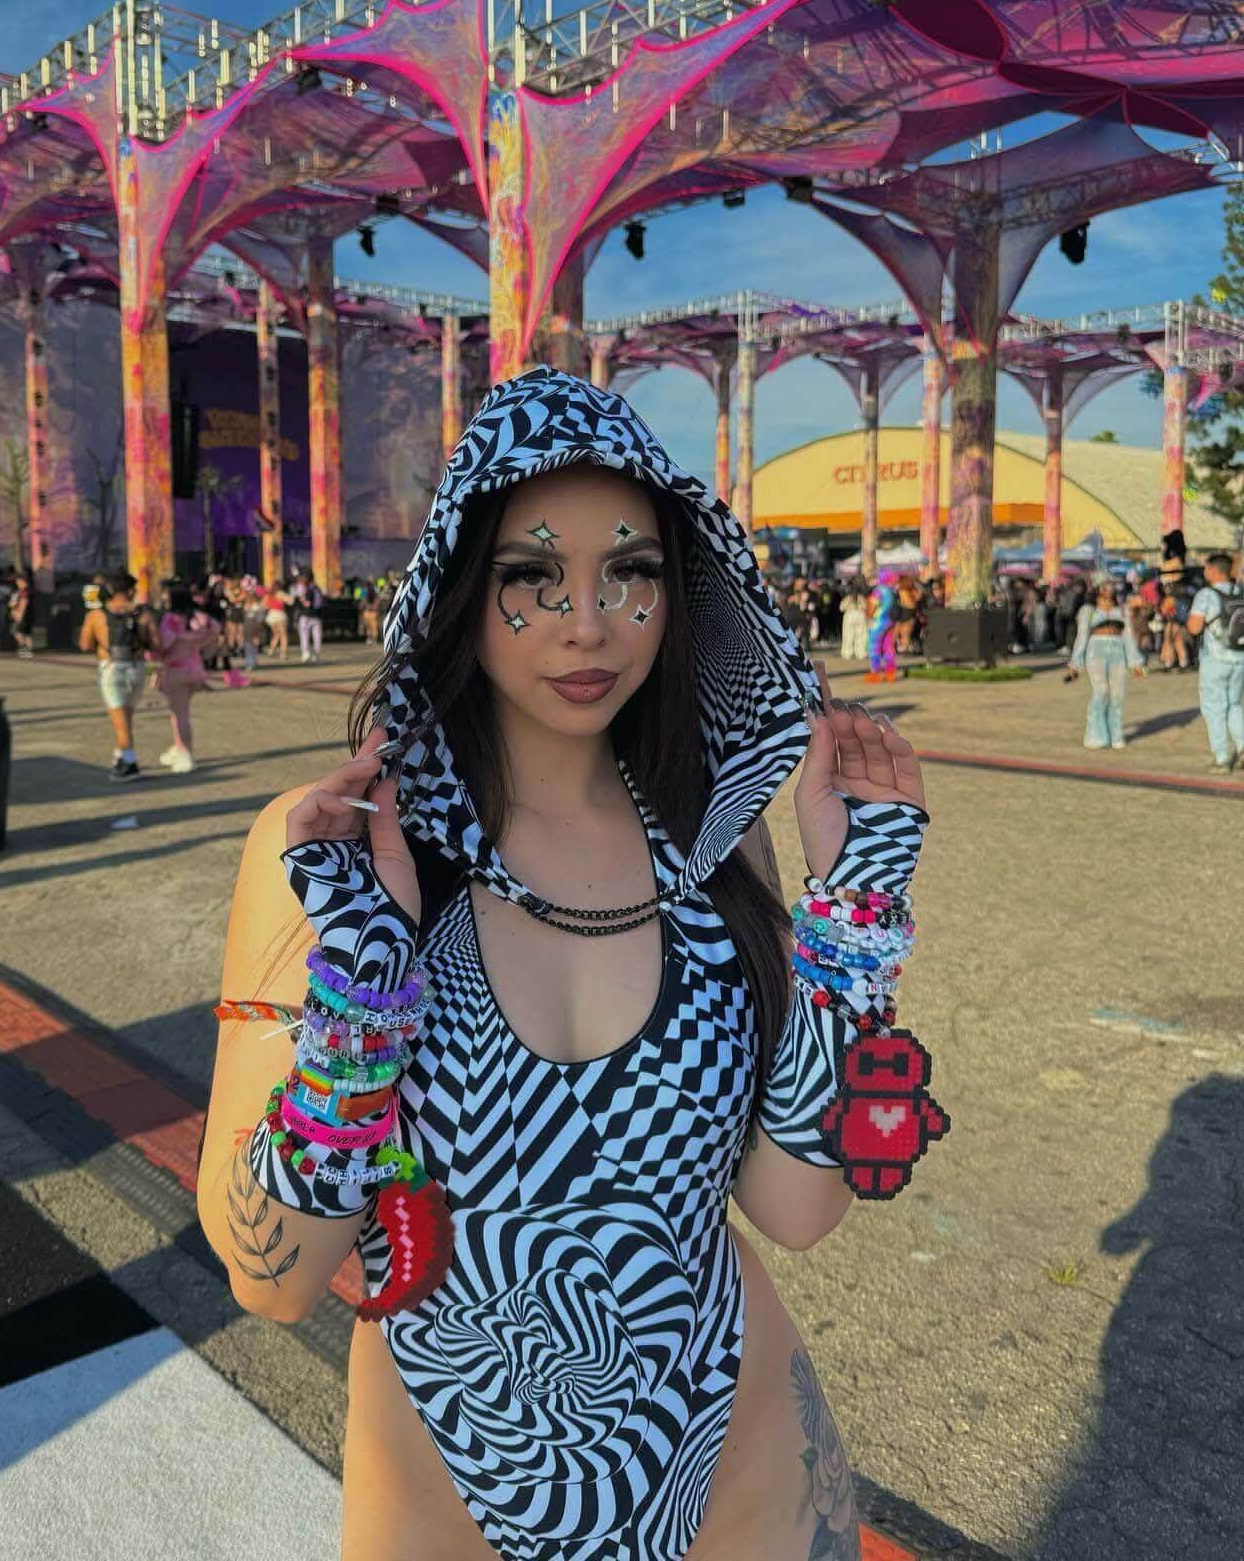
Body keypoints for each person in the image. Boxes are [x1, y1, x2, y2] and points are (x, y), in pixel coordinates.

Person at [199, 369, 943, 1561]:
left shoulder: (717, 831)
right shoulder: (338, 847)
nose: (586, 622)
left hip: (744, 1478)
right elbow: (268, 1278)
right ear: (458, 587)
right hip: (442, 1497)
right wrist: (364, 992)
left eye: (631, 572)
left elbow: (795, 1210)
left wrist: (854, 914)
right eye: (530, 576)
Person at [78, 570, 158, 779]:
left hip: (111, 669)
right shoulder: (144, 614)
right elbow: (156, 643)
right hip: (137, 668)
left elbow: (85, 644)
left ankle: (129, 762)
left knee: (119, 719)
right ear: (131, 590)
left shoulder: (96, 615)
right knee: (125, 716)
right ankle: (119, 754)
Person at [1066, 578, 1145, 751]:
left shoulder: (1122, 609)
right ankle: (1096, 734)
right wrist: (1075, 663)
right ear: (1096, 588)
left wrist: (1135, 662)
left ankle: (1116, 734)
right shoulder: (1088, 610)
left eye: (1111, 585)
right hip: (1096, 650)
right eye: (1105, 585)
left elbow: (1129, 636)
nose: (1109, 588)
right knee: (1100, 691)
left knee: (1118, 693)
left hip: (1118, 650)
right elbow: (1081, 636)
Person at [1187, 551, 1244, 773]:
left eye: (1205, 568)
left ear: (1212, 570)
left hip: (1216, 658)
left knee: (1213, 707)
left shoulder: (1206, 595)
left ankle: (1221, 757)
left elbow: (1194, 627)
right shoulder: (1240, 591)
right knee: (1233, 704)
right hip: (1240, 657)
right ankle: (1242, 746)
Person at [154, 584, 220, 773]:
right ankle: (178, 747)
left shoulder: (170, 619)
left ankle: (185, 754)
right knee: (180, 712)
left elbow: (164, 643)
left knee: (179, 715)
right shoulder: (198, 618)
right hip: (196, 670)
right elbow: (214, 630)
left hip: (176, 671)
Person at [293, 569, 324, 664]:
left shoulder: (303, 587)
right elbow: (319, 603)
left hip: (305, 616)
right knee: (317, 637)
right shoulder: (316, 588)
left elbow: (302, 600)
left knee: (304, 636)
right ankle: (315, 656)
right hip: (315, 616)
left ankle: (306, 654)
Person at [839, 581, 869, 660]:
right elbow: (865, 607)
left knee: (848, 635)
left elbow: (841, 608)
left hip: (849, 615)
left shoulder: (848, 597)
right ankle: (861, 653)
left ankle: (847, 653)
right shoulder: (861, 597)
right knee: (861, 635)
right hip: (860, 615)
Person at [9, 568, 35, 658]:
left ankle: (25, 649)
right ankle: (28, 650)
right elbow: (12, 603)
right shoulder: (20, 591)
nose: (17, 583)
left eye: (18, 581)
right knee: (26, 633)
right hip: (26, 615)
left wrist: (19, 613)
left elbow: (24, 603)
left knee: (17, 631)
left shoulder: (25, 591)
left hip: (23, 615)